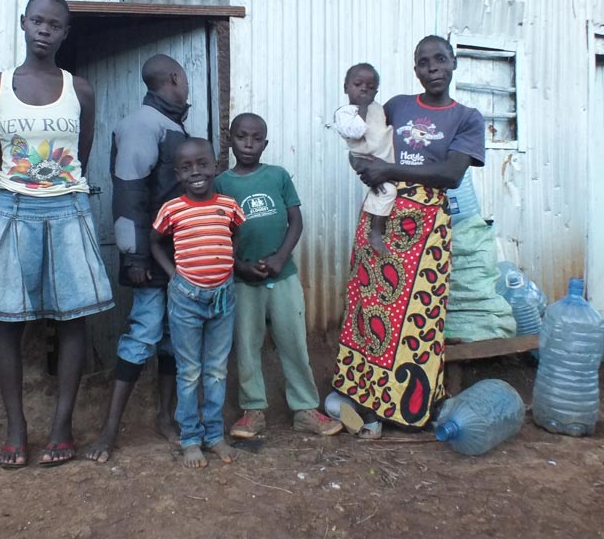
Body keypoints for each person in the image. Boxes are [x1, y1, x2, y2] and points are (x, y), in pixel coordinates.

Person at [0, 0, 113, 468]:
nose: (44, 30)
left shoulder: (80, 90)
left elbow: (83, 152)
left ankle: (62, 425)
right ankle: (16, 426)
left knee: (73, 316)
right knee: (6, 320)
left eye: (54, 25)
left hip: (68, 208)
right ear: (23, 23)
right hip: (13, 208)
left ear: (65, 32)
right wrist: (18, 187)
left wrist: (56, 188)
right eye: (37, 21)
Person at [330, 36, 485, 438]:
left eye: (439, 59)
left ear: (453, 63)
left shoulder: (466, 117)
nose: (432, 67)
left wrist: (390, 173)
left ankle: (408, 407)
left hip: (427, 224)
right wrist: (363, 163)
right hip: (381, 215)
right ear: (415, 69)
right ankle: (365, 402)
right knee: (369, 309)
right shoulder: (398, 105)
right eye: (423, 62)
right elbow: (367, 142)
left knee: (420, 317)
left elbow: (451, 175)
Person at [86, 54, 190, 464]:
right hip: (151, 257)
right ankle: (110, 430)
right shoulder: (143, 125)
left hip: (178, 257)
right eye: (184, 81)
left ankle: (165, 417)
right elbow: (129, 192)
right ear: (173, 78)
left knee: (170, 338)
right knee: (143, 333)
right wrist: (133, 257)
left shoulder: (171, 125)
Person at [213, 113, 342, 439]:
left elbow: (295, 221)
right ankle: (253, 410)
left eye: (256, 139)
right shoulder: (222, 184)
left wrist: (280, 257)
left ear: (265, 143)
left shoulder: (278, 176)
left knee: (294, 342)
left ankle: (304, 409)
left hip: (283, 275)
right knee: (247, 345)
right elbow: (217, 232)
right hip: (244, 281)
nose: (248, 144)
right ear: (230, 140)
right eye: (241, 137)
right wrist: (238, 266)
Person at [150, 138, 245, 468]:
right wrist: (174, 276)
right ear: (178, 174)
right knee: (189, 371)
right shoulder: (172, 209)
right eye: (187, 167)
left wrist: (224, 261)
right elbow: (156, 243)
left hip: (223, 297)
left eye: (203, 164)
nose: (196, 172)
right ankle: (190, 438)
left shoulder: (229, 206)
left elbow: (235, 234)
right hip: (186, 298)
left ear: (215, 166)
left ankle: (214, 435)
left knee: (217, 370)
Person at [332, 63, 395, 256]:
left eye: (370, 86)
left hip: (384, 155)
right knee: (388, 191)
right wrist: (363, 107)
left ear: (376, 90)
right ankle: (375, 232)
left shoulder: (378, 108)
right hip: (367, 158)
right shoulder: (344, 113)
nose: (364, 89)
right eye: (358, 84)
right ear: (346, 87)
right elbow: (356, 131)